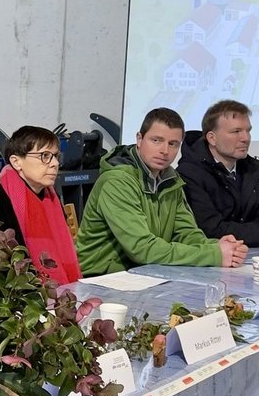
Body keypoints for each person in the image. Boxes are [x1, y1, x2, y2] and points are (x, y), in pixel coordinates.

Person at [74, 107, 248, 275]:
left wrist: (216, 246)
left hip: (144, 273)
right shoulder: (117, 181)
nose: (165, 151)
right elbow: (142, 249)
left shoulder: (171, 179)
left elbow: (185, 233)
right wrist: (214, 255)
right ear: (139, 139)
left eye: (173, 144)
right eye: (156, 140)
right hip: (100, 277)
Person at [0, 125, 82, 285]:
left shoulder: (52, 199)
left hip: (60, 291)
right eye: (45, 156)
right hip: (17, 295)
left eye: (56, 156)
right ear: (16, 162)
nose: (55, 163)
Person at [177, 99, 259, 247]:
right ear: (212, 138)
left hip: (253, 254)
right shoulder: (189, 174)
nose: (245, 138)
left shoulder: (252, 169)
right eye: (236, 131)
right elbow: (210, 230)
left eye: (248, 131)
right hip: (213, 258)